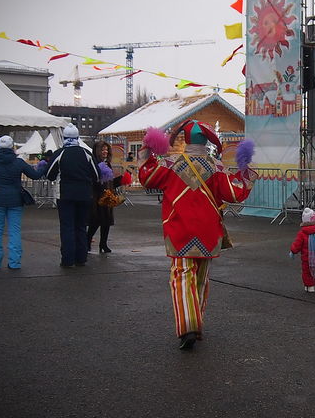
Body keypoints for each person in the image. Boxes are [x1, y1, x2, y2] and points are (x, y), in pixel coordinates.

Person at [139, 119, 255, 350]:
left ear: (186, 139)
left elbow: (147, 177)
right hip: (208, 231)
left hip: (180, 228)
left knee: (182, 274)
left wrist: (147, 149)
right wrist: (245, 170)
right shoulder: (217, 166)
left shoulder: (170, 163)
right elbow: (234, 193)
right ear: (207, 141)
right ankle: (195, 321)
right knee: (201, 277)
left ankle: (188, 325)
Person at [0, 135, 48, 270]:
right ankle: (14, 262)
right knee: (14, 231)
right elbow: (35, 175)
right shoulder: (19, 162)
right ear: (12, 147)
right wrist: (44, 166)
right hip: (15, 200)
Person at [45, 124, 99, 267]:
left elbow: (49, 174)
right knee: (81, 226)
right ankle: (81, 258)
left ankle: (67, 260)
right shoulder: (87, 153)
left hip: (65, 195)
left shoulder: (60, 153)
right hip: (84, 195)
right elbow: (97, 174)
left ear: (64, 138)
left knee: (67, 227)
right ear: (77, 137)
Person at [87, 140, 120, 254]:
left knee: (106, 221)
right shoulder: (94, 163)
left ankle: (103, 244)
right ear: (97, 151)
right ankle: (87, 241)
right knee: (95, 221)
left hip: (108, 196)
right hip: (97, 196)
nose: (105, 151)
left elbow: (110, 182)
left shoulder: (107, 163)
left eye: (106, 149)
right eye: (102, 149)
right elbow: (92, 181)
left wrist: (121, 180)